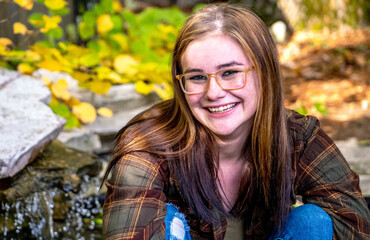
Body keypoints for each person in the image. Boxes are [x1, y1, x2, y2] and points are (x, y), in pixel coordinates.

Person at [102, 3, 370, 240]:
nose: (214, 92)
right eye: (196, 77)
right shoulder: (148, 144)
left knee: (312, 222)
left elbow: (355, 227)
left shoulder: (297, 137)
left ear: (264, 73)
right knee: (166, 218)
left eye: (229, 72)